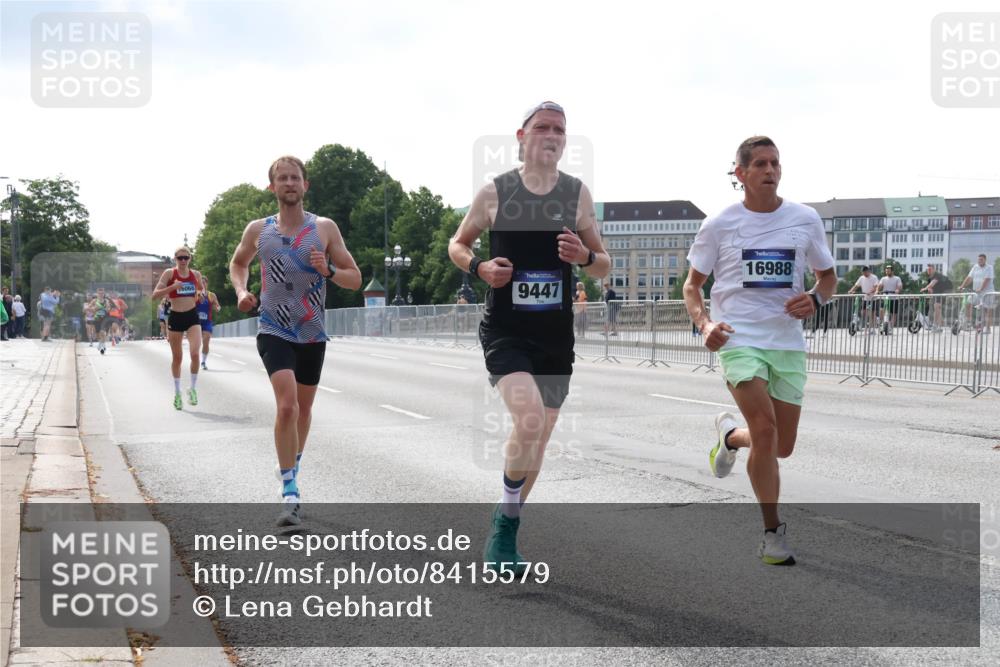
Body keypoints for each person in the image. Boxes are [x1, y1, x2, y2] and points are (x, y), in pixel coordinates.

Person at [448, 101, 609, 573]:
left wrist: (583, 256)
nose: (552, 135)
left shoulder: (577, 195)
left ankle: (508, 520)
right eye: (543, 127)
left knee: (538, 438)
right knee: (531, 420)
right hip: (506, 330)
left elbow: (603, 264)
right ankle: (504, 532)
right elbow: (458, 244)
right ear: (522, 136)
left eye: (560, 129)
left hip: (555, 336)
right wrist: (479, 266)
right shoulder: (496, 192)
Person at [683, 135, 836, 566]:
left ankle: (730, 438)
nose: (770, 170)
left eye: (775, 163)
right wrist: (705, 323)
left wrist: (816, 298)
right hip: (739, 338)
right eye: (761, 164)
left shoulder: (804, 219)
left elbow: (827, 278)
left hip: (786, 342)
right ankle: (772, 535)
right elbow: (692, 286)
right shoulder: (719, 224)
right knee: (766, 432)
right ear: (741, 174)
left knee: (780, 445)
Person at [230, 155, 362, 527]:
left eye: (295, 178)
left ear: (305, 186)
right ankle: (290, 493)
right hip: (273, 328)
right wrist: (241, 290)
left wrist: (329, 270)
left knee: (303, 412)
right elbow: (238, 262)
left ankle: (291, 464)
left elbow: (354, 277)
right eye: (282, 178)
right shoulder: (259, 230)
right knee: (286, 406)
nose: (289, 183)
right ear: (272, 187)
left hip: (312, 332)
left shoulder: (324, 229)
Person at [151, 247, 205, 410]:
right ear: (175, 259)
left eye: (186, 258)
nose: (183, 261)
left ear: (190, 259)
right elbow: (155, 295)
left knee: (195, 354)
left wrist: (201, 295)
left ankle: (193, 389)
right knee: (177, 358)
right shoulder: (169, 273)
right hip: (175, 317)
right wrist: (172, 287)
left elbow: (201, 292)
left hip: (192, 316)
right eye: (180, 258)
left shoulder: (196, 275)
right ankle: (177, 393)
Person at [958, 253, 996, 333]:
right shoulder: (975, 267)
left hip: (987, 292)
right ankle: (968, 323)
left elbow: (987, 279)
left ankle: (988, 328)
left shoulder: (989, 267)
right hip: (976, 292)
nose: (979, 261)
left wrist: (981, 288)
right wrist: (962, 286)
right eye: (978, 259)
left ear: (985, 260)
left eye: (981, 259)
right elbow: (969, 278)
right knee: (968, 304)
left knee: (987, 309)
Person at [197, 278, 222, 369]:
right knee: (196, 343)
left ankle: (203, 361)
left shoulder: (211, 295)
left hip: (207, 322)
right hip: (196, 322)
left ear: (207, 284)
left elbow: (217, 306)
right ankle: (195, 359)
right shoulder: (195, 294)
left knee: (206, 341)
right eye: (201, 283)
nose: (203, 284)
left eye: (204, 282)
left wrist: (217, 308)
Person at [847, 266, 878, 332]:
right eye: (863, 273)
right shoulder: (861, 278)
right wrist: (851, 291)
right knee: (863, 312)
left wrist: (870, 291)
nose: (864, 274)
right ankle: (861, 325)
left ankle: (873, 328)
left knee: (872, 313)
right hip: (865, 298)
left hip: (872, 298)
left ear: (868, 271)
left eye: (865, 273)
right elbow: (856, 286)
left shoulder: (874, 277)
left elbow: (876, 287)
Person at [919, 264, 951, 329]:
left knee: (936, 307)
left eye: (930, 269)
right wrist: (929, 290)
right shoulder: (930, 277)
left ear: (934, 269)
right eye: (928, 270)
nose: (928, 271)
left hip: (943, 293)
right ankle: (944, 326)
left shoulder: (937, 275)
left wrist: (925, 288)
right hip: (937, 294)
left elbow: (932, 283)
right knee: (937, 310)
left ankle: (935, 325)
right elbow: (931, 287)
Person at [874, 264, 902, 332]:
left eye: (888, 271)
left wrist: (897, 290)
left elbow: (900, 286)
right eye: (886, 271)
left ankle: (891, 328)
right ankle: (882, 323)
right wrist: (877, 291)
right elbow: (879, 285)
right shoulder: (883, 278)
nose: (887, 272)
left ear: (892, 271)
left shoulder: (897, 278)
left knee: (894, 313)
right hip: (885, 297)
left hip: (894, 298)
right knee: (881, 310)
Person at [87, 289, 114, 354]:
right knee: (97, 334)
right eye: (99, 293)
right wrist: (94, 309)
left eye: (102, 293)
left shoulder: (106, 301)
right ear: (97, 294)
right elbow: (88, 308)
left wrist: (107, 309)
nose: (101, 295)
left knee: (103, 332)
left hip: (104, 318)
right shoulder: (94, 301)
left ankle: (103, 345)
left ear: (104, 294)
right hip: (97, 318)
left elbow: (108, 308)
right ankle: (100, 342)